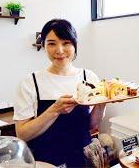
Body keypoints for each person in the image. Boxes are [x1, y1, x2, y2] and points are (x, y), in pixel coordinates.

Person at [13, 19, 106, 167]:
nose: (59, 50)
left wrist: (102, 103)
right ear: (43, 46)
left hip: (83, 159)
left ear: (74, 45)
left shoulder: (89, 77)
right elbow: (22, 134)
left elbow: (90, 125)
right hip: (46, 161)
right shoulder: (30, 82)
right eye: (51, 43)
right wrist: (55, 110)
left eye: (66, 43)